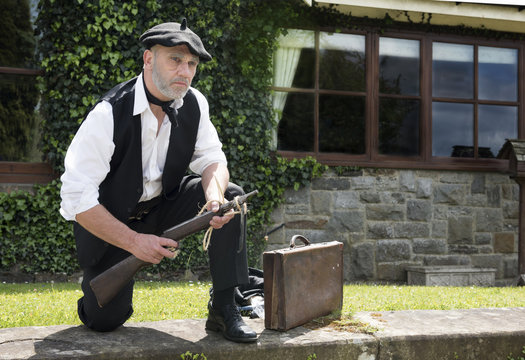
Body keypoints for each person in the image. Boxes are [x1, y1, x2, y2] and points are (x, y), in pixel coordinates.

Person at [59, 19, 257, 343]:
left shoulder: (195, 103)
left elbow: (212, 159)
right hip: (113, 223)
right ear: (149, 59)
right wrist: (135, 243)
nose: (185, 71)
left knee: (232, 198)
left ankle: (224, 307)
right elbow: (76, 197)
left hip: (163, 209)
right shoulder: (108, 113)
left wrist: (214, 196)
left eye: (192, 63)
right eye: (175, 60)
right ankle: (99, 295)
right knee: (104, 319)